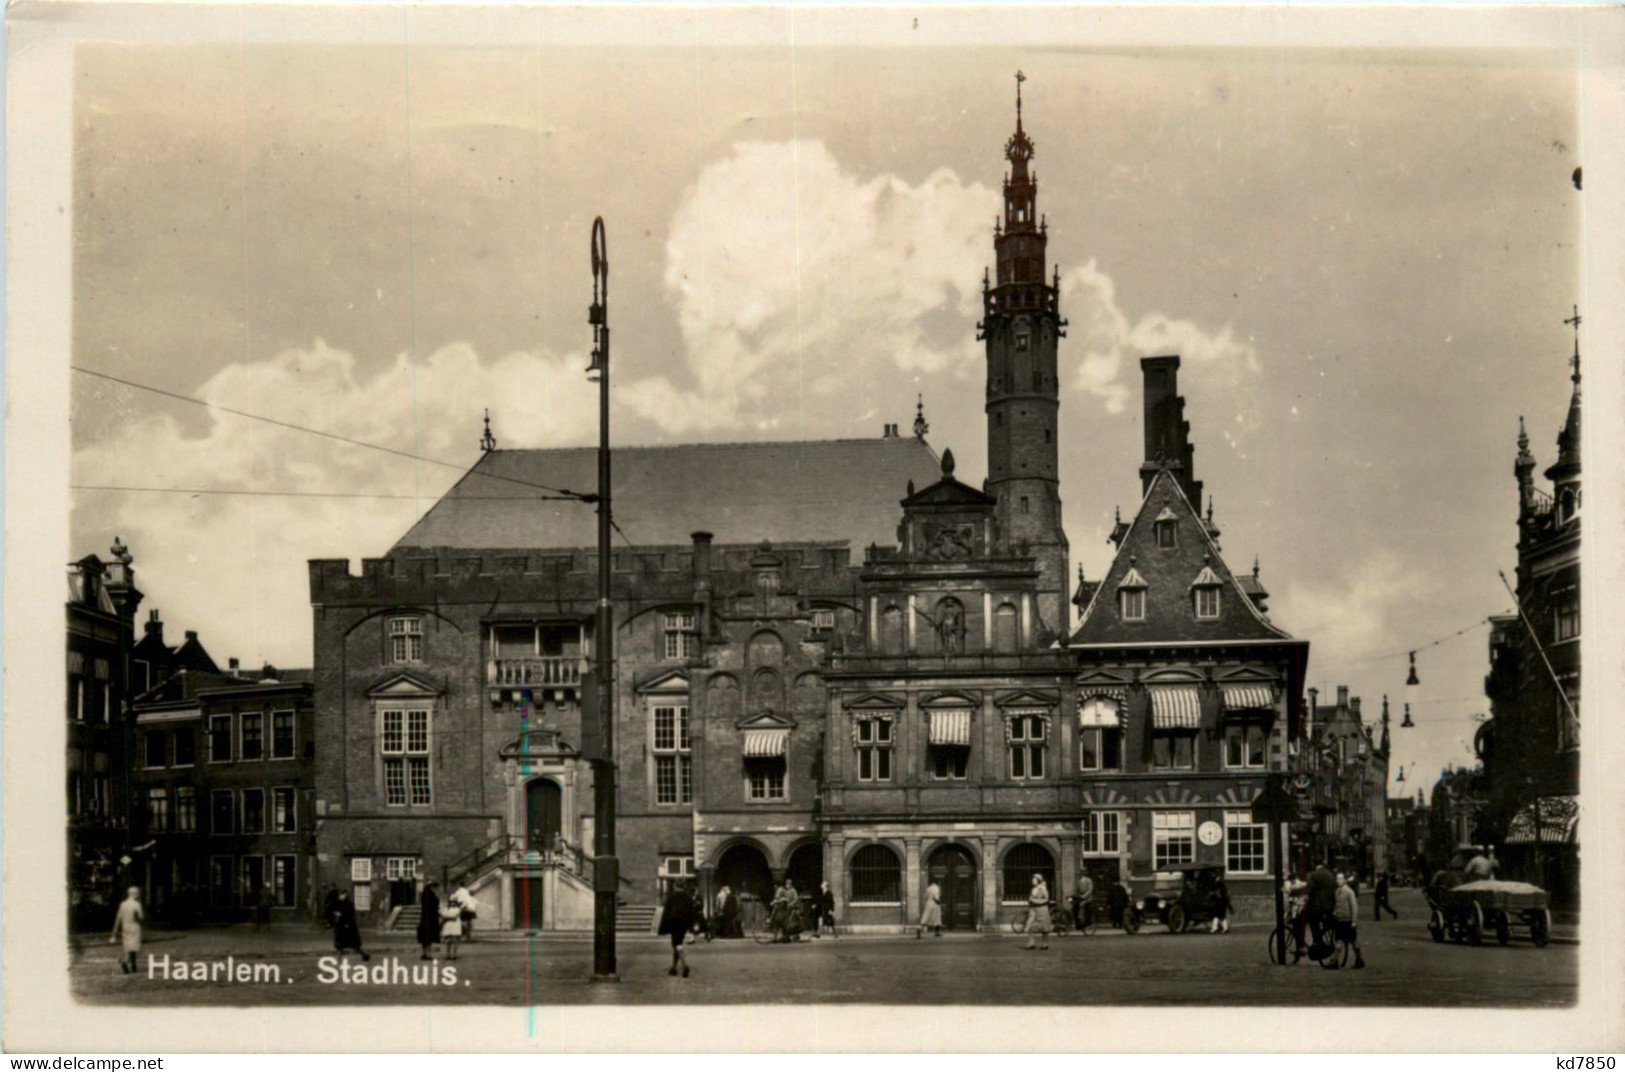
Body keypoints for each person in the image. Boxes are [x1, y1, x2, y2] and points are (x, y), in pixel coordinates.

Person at [658, 880, 697, 977]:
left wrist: (663, 927)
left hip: (674, 922)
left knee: (676, 944)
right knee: (677, 943)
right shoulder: (687, 897)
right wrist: (691, 926)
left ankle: (685, 965)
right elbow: (691, 912)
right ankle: (674, 967)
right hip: (683, 923)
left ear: (675, 885)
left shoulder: (671, 897)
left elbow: (666, 912)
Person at [1332, 872, 1366, 969]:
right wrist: (1335, 912)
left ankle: (1359, 959)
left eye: (1340, 879)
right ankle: (1335, 961)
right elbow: (1336, 905)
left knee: (1353, 941)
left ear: (1344, 880)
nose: (1338, 881)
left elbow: (1354, 907)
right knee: (1338, 941)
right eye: (1337, 879)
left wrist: (1354, 921)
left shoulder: (1349, 892)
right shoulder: (1337, 891)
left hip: (1348, 921)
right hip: (1340, 920)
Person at [110, 886, 144, 975]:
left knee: (128, 946)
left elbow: (118, 919)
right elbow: (141, 916)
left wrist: (114, 932)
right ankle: (128, 963)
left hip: (125, 927)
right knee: (134, 946)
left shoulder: (123, 904)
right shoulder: (137, 904)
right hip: (134, 926)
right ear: (135, 894)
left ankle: (132, 965)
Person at [1306, 862, 1337, 956]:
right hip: (1329, 907)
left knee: (1311, 920)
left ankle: (1318, 941)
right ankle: (1322, 934)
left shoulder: (1313, 875)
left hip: (1318, 907)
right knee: (1326, 923)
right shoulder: (1331, 875)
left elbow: (1309, 890)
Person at [330, 889, 370, 961]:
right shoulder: (337, 903)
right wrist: (335, 915)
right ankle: (339, 961)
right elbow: (332, 911)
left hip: (349, 927)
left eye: (342, 895)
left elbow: (350, 915)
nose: (341, 896)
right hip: (340, 927)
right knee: (340, 946)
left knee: (354, 945)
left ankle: (364, 954)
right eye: (340, 895)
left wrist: (342, 917)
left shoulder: (349, 903)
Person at [1023, 873, 1054, 950]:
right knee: (1030, 926)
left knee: (1044, 928)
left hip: (1042, 909)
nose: (1032, 881)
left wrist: (1034, 900)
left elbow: (1045, 899)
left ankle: (1045, 944)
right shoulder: (1034, 888)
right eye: (1032, 879)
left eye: (1034, 879)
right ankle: (1031, 943)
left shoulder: (1042, 888)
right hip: (1034, 910)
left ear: (1038, 880)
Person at [417, 882, 443, 960]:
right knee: (429, 937)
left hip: (424, 917)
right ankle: (428, 954)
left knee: (424, 937)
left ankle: (424, 953)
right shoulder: (431, 895)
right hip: (431, 918)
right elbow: (435, 906)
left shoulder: (424, 894)